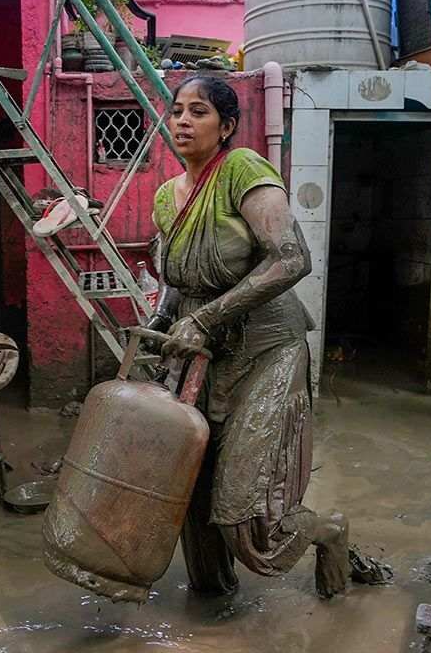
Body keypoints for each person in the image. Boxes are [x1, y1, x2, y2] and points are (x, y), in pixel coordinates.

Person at [145, 75, 350, 599]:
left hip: (266, 351)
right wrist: (159, 326)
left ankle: (330, 533)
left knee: (241, 508)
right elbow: (180, 283)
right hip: (202, 356)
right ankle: (214, 606)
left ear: (227, 126)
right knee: (190, 489)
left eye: (199, 112)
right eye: (177, 111)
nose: (184, 121)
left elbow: (292, 258)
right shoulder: (168, 196)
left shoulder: (242, 169)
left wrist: (206, 320)